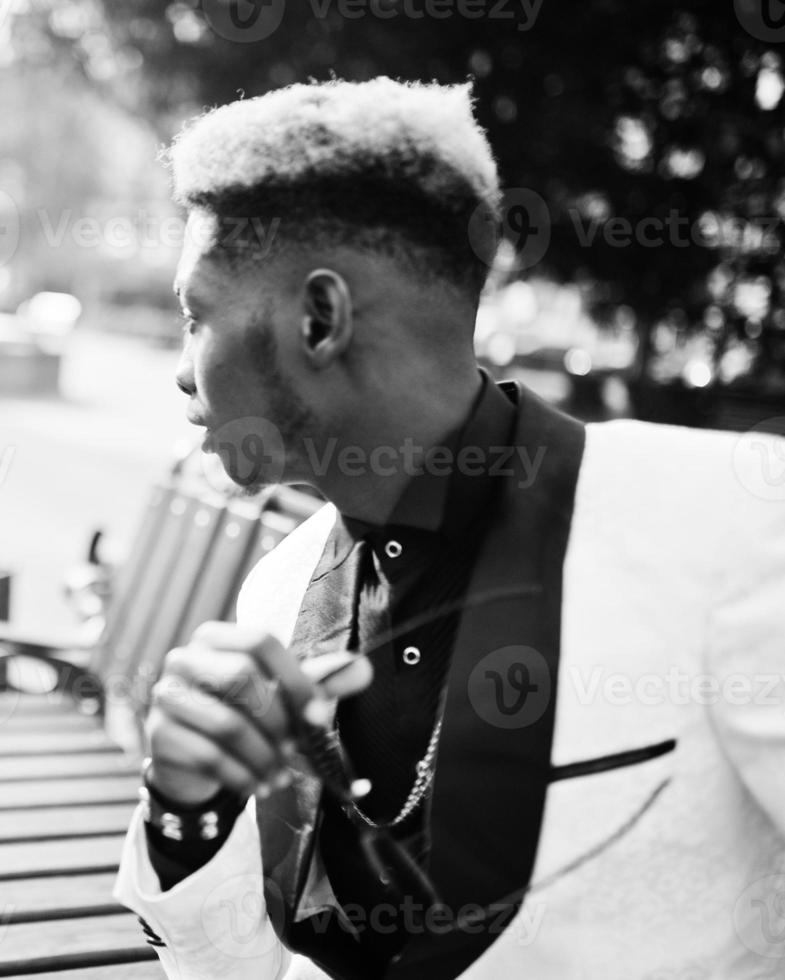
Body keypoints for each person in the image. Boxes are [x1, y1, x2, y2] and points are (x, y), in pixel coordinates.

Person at [112, 76, 785, 979]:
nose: (183, 372)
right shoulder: (275, 590)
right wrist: (182, 815)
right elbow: (235, 970)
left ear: (320, 319)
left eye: (195, 315)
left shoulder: (733, 517)